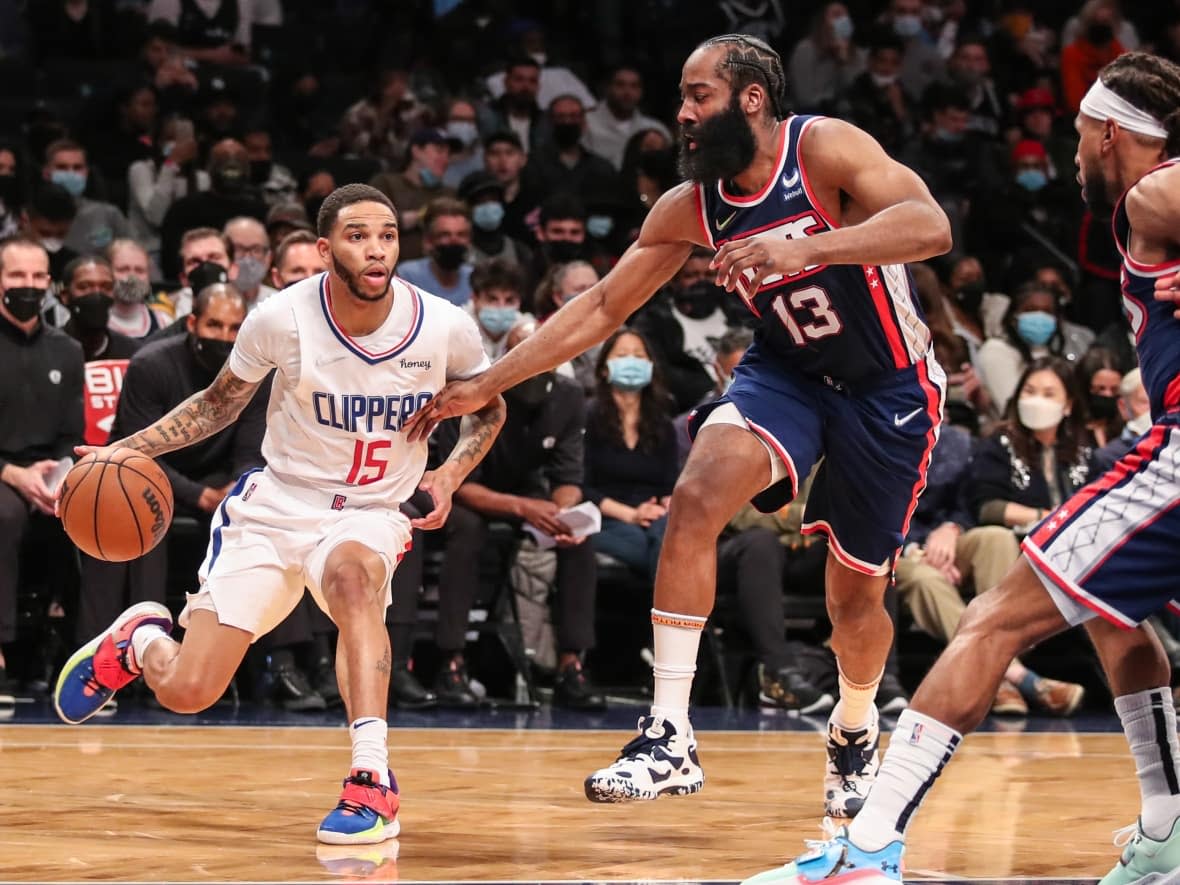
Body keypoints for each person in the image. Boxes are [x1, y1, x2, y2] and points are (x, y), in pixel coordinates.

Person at [407, 33, 953, 814]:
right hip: (787, 371)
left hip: (888, 386)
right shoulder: (692, 206)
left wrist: (808, 246)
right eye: (683, 97)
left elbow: (929, 225)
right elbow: (600, 307)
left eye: (699, 95)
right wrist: (486, 382)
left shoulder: (823, 147)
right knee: (696, 494)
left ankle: (856, 726)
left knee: (855, 600)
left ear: (751, 98)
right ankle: (669, 734)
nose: (683, 113)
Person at [737, 51, 1180, 885]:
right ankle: (1169, 826)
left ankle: (866, 846)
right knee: (1110, 613)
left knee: (993, 620)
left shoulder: (1158, 189)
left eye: (1082, 133)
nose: (1073, 149)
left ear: (1112, 131)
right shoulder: (1147, 208)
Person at [53, 183, 506, 845]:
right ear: (325, 250)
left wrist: (450, 472)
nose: (376, 248)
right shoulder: (281, 317)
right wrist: (116, 452)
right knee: (188, 690)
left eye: (387, 234)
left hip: (373, 509)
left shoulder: (443, 325)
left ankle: (370, 779)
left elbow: (488, 407)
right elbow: (216, 405)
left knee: (353, 579)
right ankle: (140, 640)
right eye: (358, 235)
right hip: (277, 506)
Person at [0, 238, 84, 693]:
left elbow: (74, 435)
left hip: (49, 471)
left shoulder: (67, 350)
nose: (27, 286)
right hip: (3, 473)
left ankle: (81, 651)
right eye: (17, 276)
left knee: (95, 512)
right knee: (5, 514)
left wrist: (59, 478)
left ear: (49, 285)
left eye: (36, 277)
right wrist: (13, 475)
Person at [584, 328, 678, 581]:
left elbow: (670, 484)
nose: (632, 362)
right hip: (605, 516)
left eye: (639, 356)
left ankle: (667, 617)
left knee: (671, 536)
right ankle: (671, 617)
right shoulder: (587, 417)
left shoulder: (662, 423)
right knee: (647, 547)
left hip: (653, 515)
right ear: (604, 368)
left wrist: (662, 507)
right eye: (623, 355)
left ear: (650, 366)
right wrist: (631, 515)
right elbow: (582, 487)